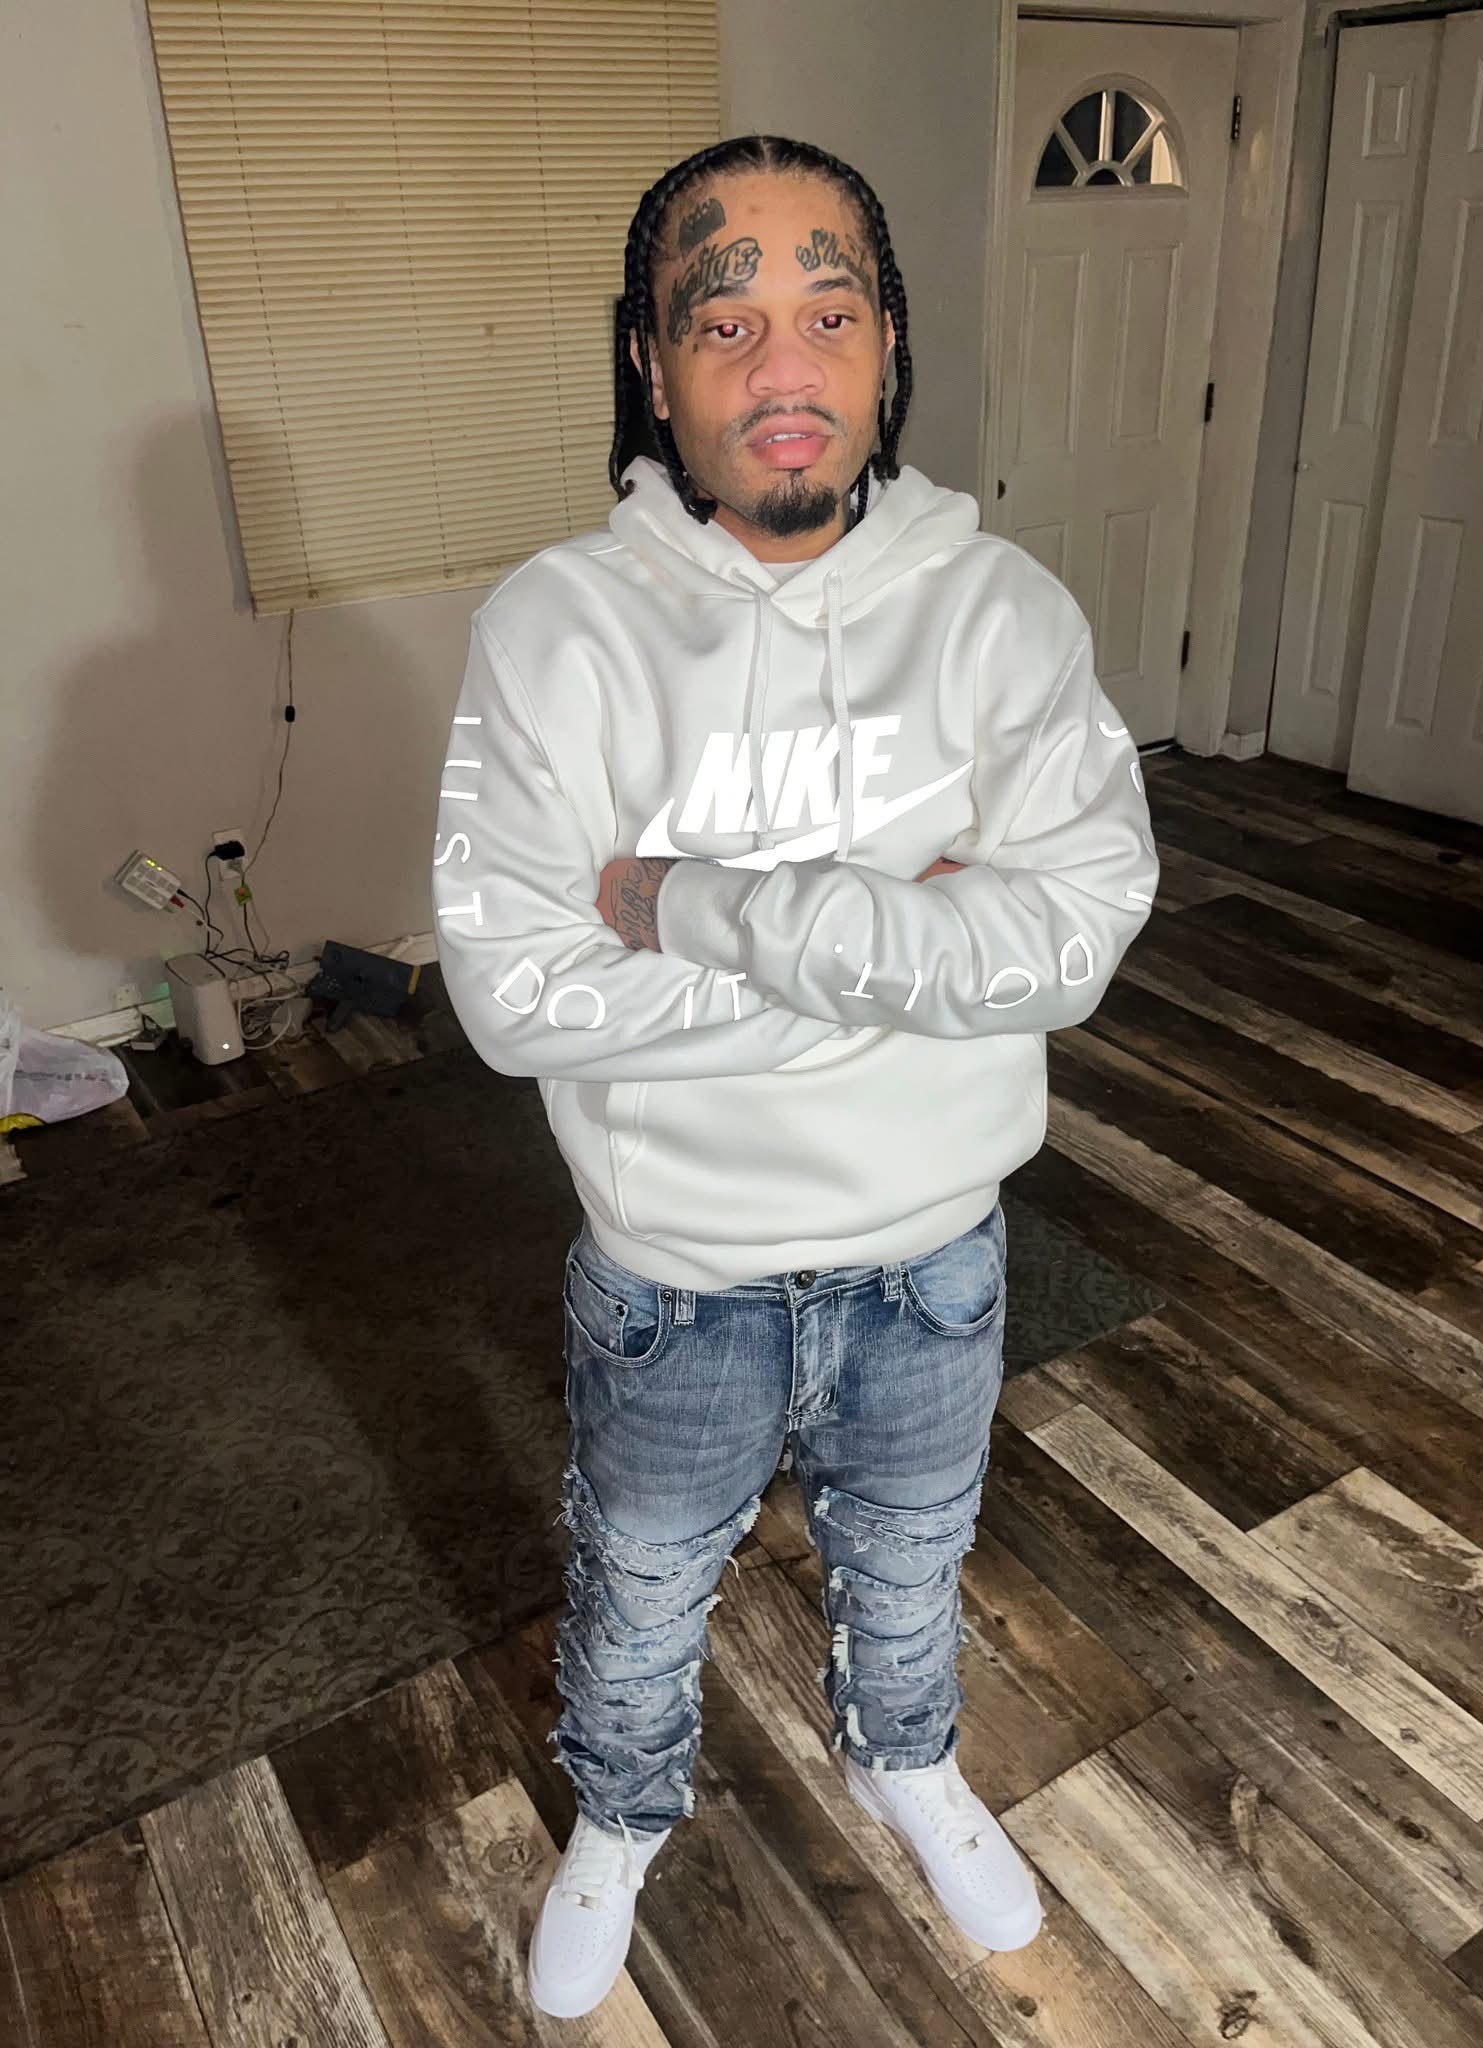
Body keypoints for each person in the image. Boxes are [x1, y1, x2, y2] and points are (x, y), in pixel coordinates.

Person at [432, 133, 1158, 2019]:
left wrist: (683, 906)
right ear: (651, 362)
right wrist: (912, 957)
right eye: (723, 319)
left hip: (939, 1256)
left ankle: (908, 1761)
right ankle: (622, 1817)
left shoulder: (1003, 615)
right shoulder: (554, 631)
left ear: (890, 342)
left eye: (829, 314)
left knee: (914, 1562)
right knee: (639, 1585)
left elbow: (1070, 946)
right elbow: (515, 997)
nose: (782, 366)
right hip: (674, 1272)